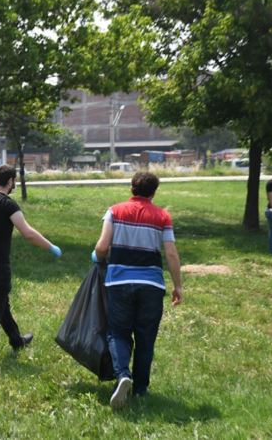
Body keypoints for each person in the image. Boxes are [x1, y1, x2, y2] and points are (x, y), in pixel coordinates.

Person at [93, 171, 183, 409]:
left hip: (119, 283)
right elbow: (171, 253)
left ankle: (123, 374)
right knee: (146, 338)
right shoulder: (163, 216)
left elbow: (101, 247)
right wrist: (178, 286)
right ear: (154, 192)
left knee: (118, 332)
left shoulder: (114, 211)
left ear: (131, 187)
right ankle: (141, 390)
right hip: (152, 286)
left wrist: (99, 258)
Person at [0, 164, 62, 368]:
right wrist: (51, 247)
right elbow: (28, 233)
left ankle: (16, 340)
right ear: (9, 181)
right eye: (14, 181)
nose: (14, 184)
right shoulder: (7, 204)